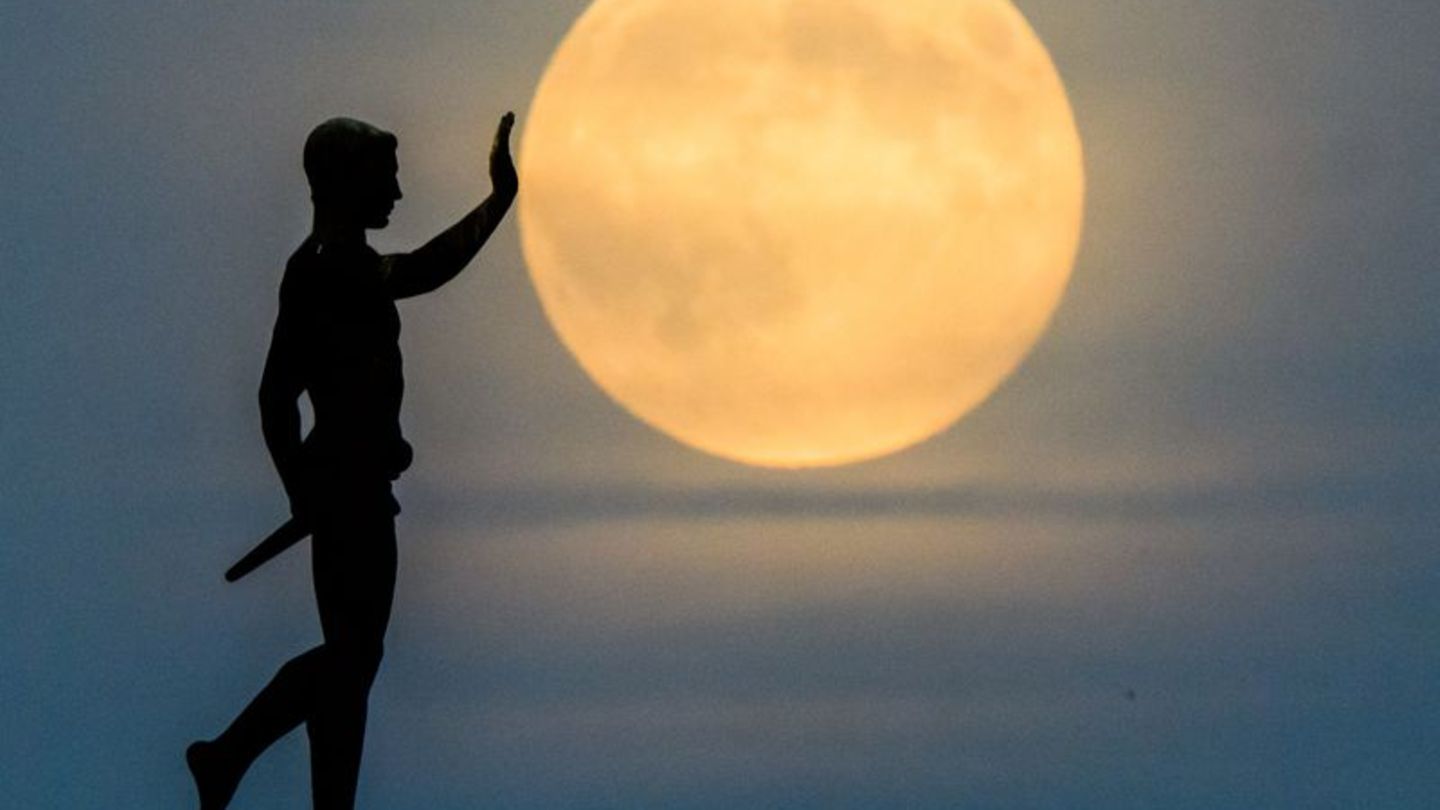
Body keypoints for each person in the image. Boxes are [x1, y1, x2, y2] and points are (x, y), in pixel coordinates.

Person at [187, 112, 519, 810]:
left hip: (353, 486)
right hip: (348, 490)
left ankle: (314, 795)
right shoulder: (330, 269)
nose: (397, 193)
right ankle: (228, 754)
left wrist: (300, 484)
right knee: (352, 658)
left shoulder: (328, 267)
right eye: (385, 177)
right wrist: (301, 488)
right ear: (343, 182)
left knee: (352, 662)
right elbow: (277, 393)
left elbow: (280, 392)